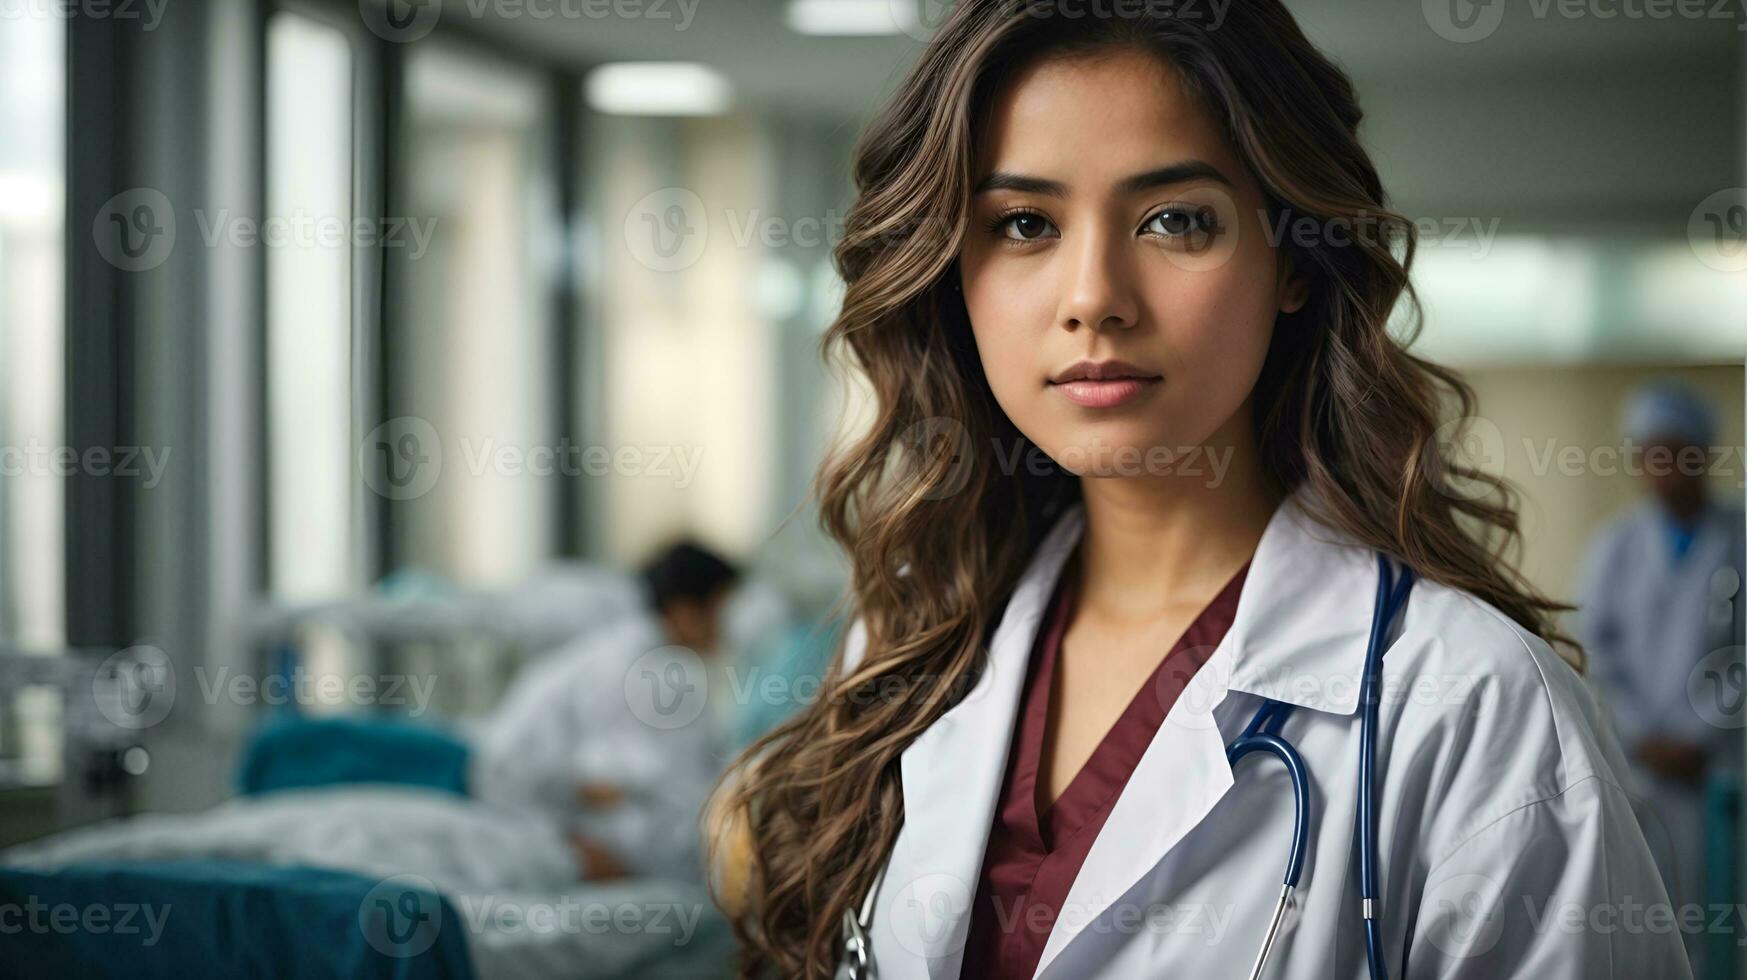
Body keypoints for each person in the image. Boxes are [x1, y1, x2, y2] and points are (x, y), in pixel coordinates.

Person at [705, 2, 1688, 977]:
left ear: (1291, 259)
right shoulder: (911, 640)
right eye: (1024, 223)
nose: (1092, 295)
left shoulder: (1476, 711)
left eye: (1176, 219)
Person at [1578, 382, 1746, 959]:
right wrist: (1640, 734)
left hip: (1719, 769)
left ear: (1703, 454)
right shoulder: (1615, 546)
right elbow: (1597, 652)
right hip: (1640, 764)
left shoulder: (1739, 537)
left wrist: (1705, 736)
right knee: (1642, 921)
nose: (1666, 466)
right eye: (1652, 452)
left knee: (1723, 917)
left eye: (1679, 451)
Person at [473, 539, 742, 882]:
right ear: (685, 612)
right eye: (724, 608)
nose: (730, 627)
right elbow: (632, 790)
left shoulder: (642, 657)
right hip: (531, 824)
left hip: (537, 812)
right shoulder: (639, 673)